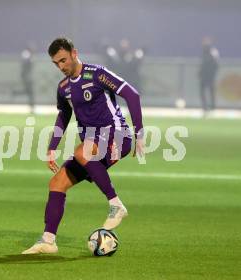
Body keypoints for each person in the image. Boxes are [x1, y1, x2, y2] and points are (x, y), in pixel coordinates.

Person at [22, 37, 144, 254]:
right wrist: (52, 147)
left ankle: (116, 205)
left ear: (74, 53)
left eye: (63, 60)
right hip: (92, 146)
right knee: (57, 182)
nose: (61, 66)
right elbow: (63, 115)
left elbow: (132, 95)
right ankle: (48, 241)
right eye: (56, 63)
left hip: (117, 136)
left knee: (83, 151)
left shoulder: (98, 74)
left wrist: (139, 132)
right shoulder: (63, 88)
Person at [199, 37, 219, 113]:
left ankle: (213, 106)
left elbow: (216, 65)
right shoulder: (204, 52)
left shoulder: (213, 52)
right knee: (203, 91)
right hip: (204, 76)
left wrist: (213, 74)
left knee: (211, 91)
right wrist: (200, 73)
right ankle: (205, 107)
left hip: (210, 76)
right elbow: (202, 64)